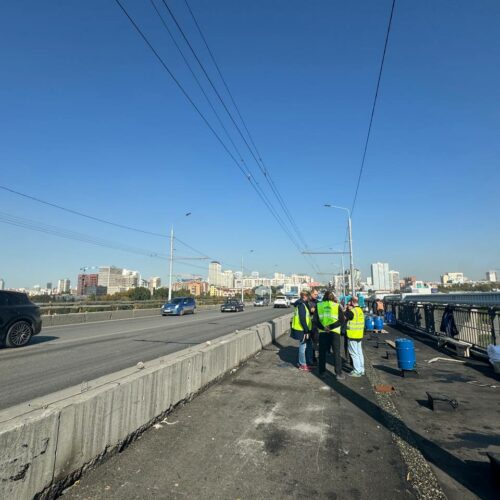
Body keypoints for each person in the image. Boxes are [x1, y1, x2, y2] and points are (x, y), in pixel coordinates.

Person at [314, 290, 345, 380]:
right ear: (333, 297)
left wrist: (324, 328)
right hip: (334, 332)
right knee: (336, 353)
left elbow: (315, 320)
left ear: (324, 297)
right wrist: (331, 327)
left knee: (322, 353)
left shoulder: (319, 305)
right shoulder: (336, 306)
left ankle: (322, 372)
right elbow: (341, 320)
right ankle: (338, 373)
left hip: (323, 332)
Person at [290, 290, 313, 371]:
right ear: (304, 296)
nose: (309, 298)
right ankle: (302, 364)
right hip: (302, 330)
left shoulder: (301, 304)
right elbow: (302, 319)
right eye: (308, 296)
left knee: (307, 346)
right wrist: (306, 331)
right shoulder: (301, 305)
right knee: (302, 348)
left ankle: (305, 362)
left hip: (303, 329)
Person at [345, 297, 365, 377]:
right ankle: (362, 369)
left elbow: (344, 316)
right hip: (359, 334)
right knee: (359, 352)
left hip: (353, 335)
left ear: (352, 302)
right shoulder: (360, 310)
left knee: (354, 353)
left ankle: (357, 371)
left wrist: (347, 308)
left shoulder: (351, 312)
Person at [308, 288, 320, 365]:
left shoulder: (318, 302)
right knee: (309, 343)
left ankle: (313, 357)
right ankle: (311, 357)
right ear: (311, 294)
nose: (316, 296)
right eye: (315, 294)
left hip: (316, 326)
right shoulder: (307, 302)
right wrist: (313, 310)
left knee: (315, 343)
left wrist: (315, 309)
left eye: (317, 294)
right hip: (309, 325)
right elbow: (311, 310)